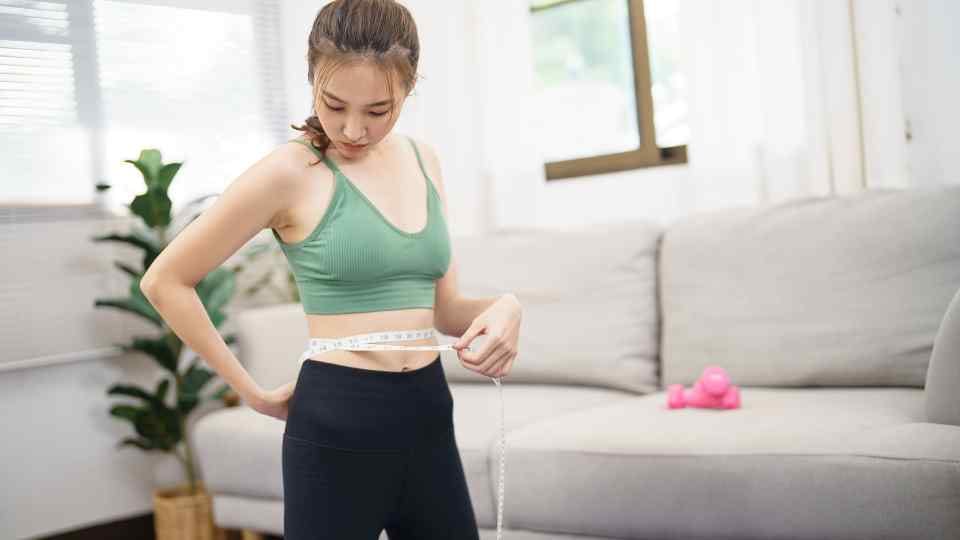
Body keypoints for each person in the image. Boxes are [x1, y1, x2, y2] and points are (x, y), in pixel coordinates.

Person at [140, 0, 522, 538]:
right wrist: (250, 390)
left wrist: (506, 308)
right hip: (339, 419)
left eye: (378, 110)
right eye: (334, 103)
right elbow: (165, 280)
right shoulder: (289, 172)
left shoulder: (424, 160)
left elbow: (445, 310)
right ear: (311, 76)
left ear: (409, 89)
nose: (353, 129)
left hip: (430, 413)